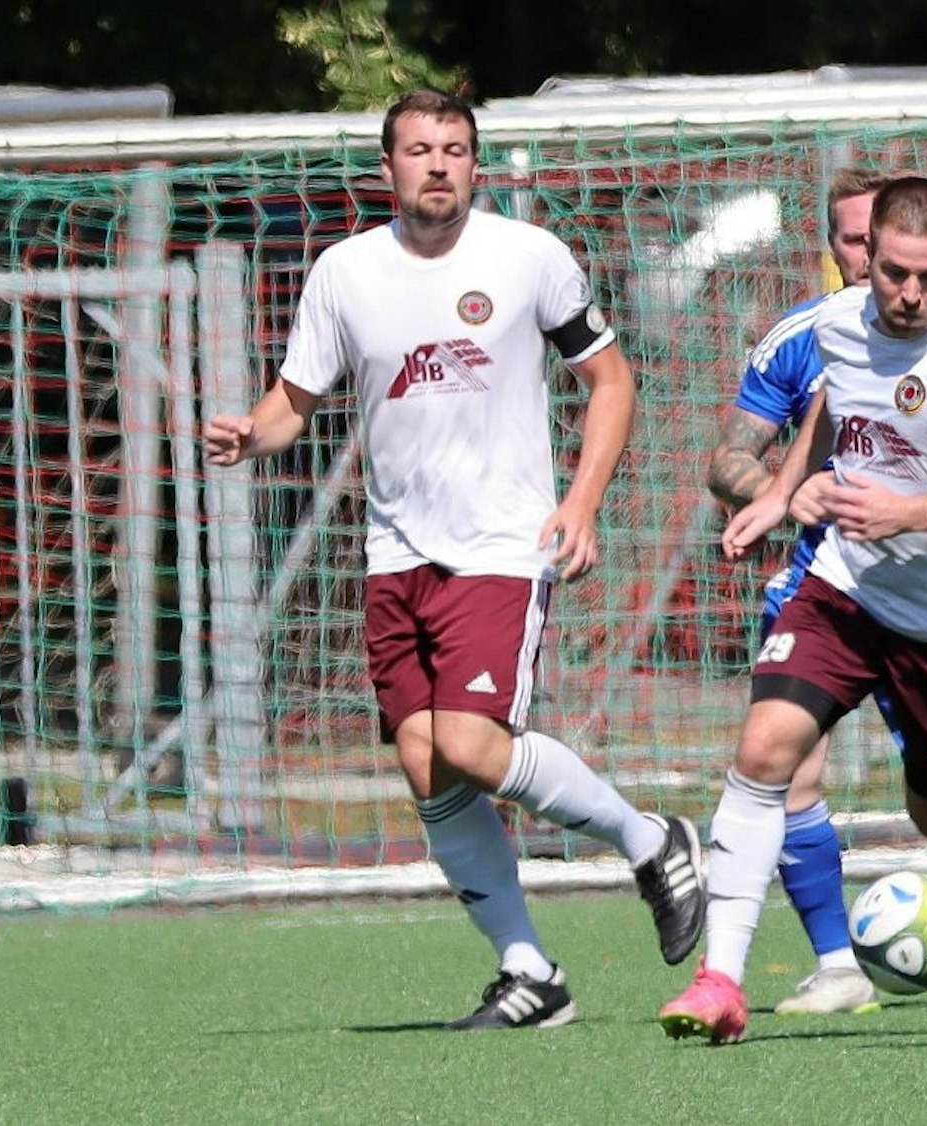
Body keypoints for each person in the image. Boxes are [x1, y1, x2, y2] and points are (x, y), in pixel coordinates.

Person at [203, 90, 705, 1031]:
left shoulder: (527, 258)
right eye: (420, 150)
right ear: (387, 169)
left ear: (476, 164)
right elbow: (291, 404)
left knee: (473, 743)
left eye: (456, 150)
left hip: (502, 546)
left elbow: (610, 379)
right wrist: (249, 433)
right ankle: (531, 972)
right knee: (426, 759)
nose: (439, 165)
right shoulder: (344, 272)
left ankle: (652, 841)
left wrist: (582, 504)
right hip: (396, 556)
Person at [660, 175, 927, 1045]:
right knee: (765, 746)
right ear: (865, 256)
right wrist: (781, 495)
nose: (909, 293)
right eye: (893, 272)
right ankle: (721, 982)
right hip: (849, 588)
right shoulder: (837, 322)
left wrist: (910, 512)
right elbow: (829, 410)